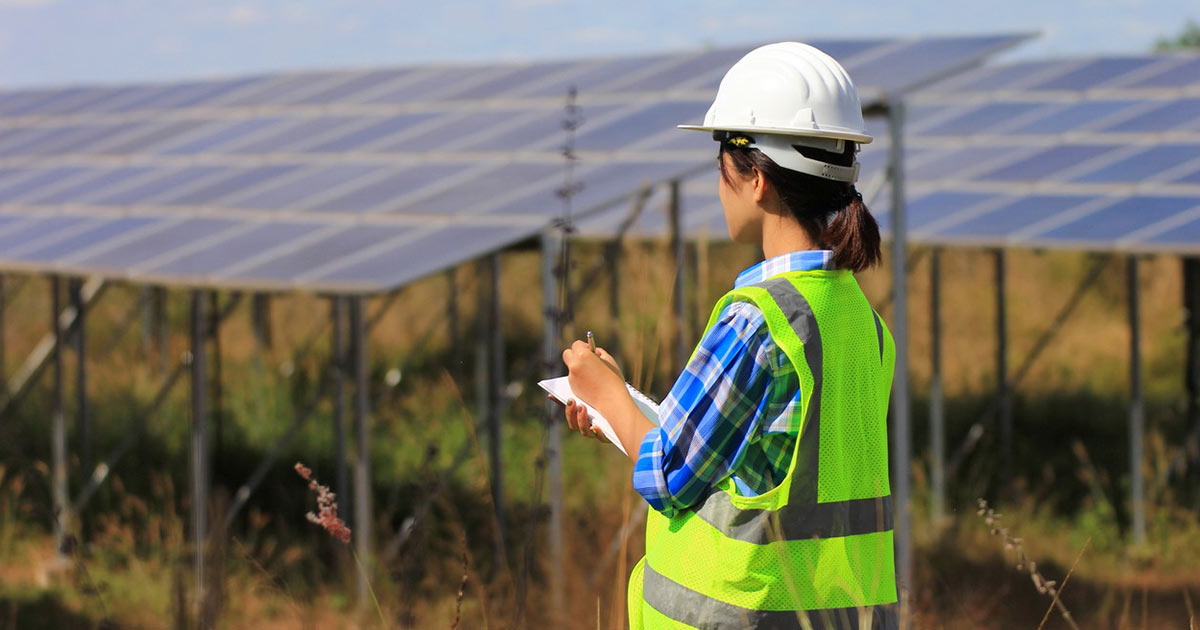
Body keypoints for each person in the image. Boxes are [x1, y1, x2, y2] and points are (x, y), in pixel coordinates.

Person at [560, 42, 897, 630]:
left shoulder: (756, 320)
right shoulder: (865, 324)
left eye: (722, 162)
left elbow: (670, 474)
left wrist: (605, 393)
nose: (718, 184)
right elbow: (762, 470)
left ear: (757, 178)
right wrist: (623, 410)